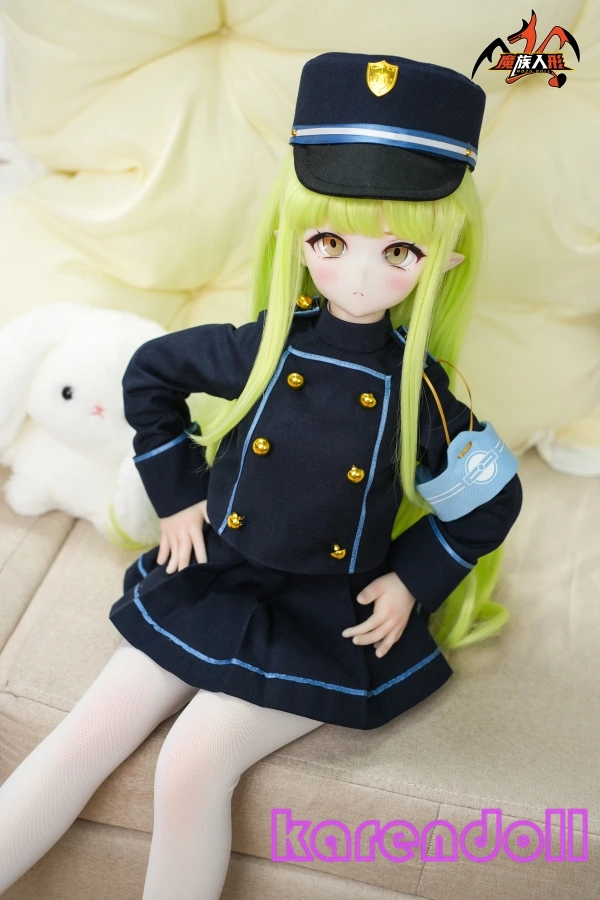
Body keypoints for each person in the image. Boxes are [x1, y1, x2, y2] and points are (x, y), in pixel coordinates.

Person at [0, 52, 523, 898]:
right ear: (295, 237)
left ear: (446, 261)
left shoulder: (422, 394)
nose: (361, 274)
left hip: (325, 613)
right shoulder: (262, 347)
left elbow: (493, 499)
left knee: (192, 765)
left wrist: (410, 581)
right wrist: (179, 497)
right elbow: (151, 376)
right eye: (332, 242)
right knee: (86, 734)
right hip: (215, 575)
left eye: (400, 251)